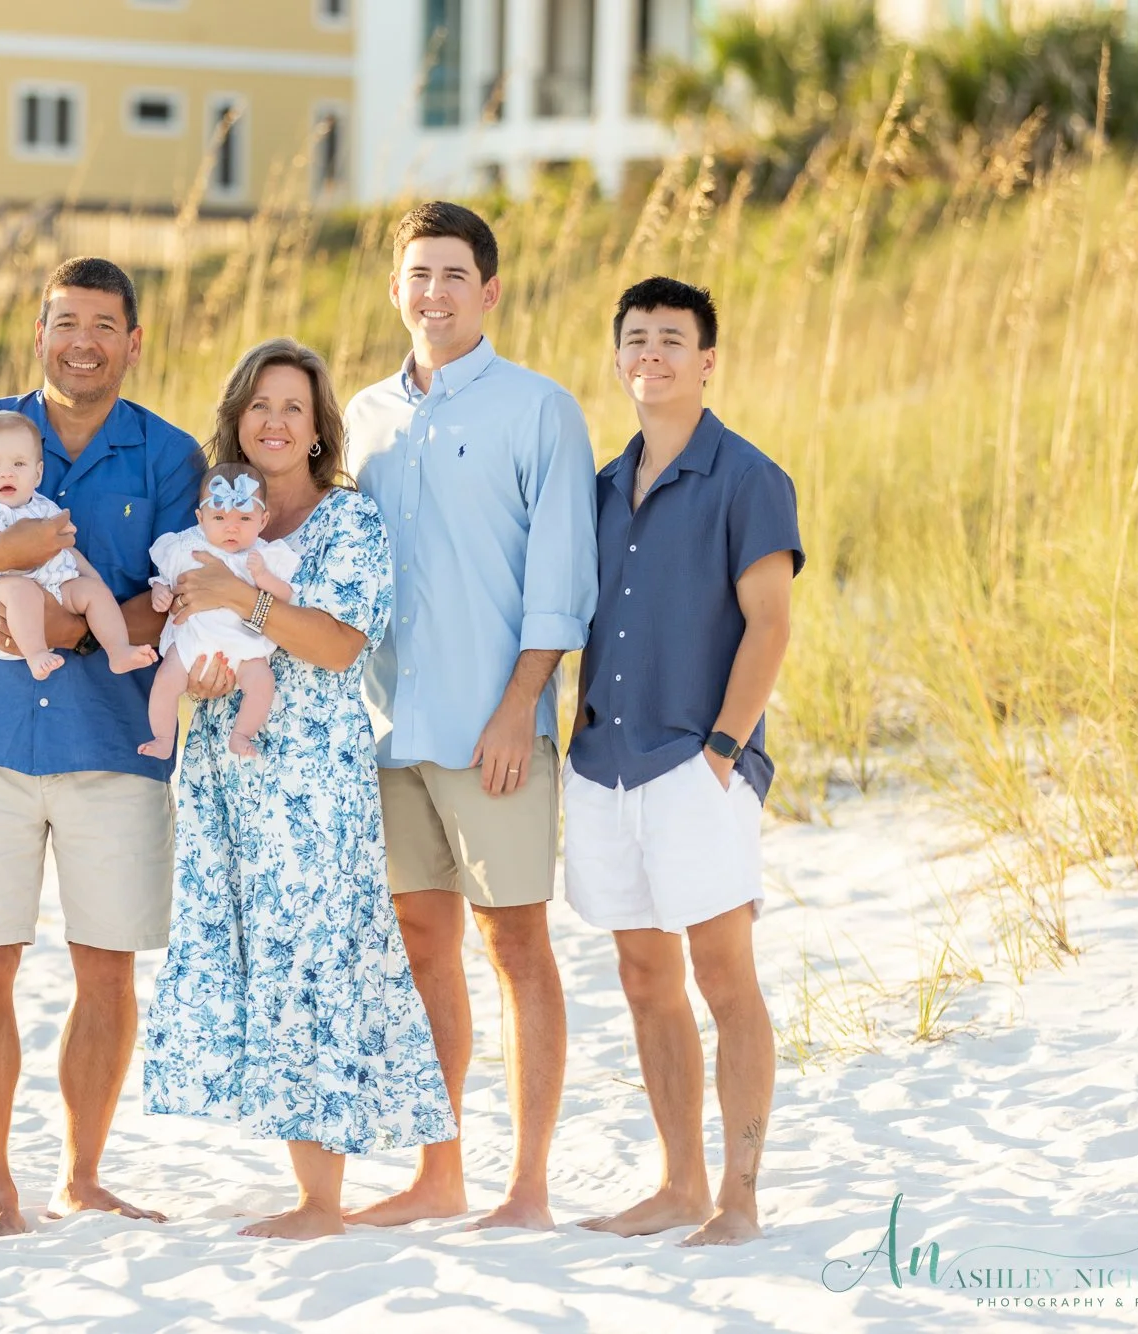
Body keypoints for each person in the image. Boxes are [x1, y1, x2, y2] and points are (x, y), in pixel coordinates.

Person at [0, 257, 208, 1237]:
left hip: (114, 746)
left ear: (133, 340)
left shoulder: (168, 455)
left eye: (103, 324)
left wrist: (67, 628)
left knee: (105, 969)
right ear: (39, 331)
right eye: (64, 321)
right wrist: (9, 558)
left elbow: (175, 591)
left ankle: (81, 1172)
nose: (81, 340)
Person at [143, 338, 456, 1240]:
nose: (275, 422)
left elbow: (341, 645)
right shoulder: (209, 523)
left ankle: (322, 1201)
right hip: (225, 769)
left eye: (294, 408)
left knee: (310, 961)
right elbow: (182, 625)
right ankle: (307, 1181)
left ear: (320, 429)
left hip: (313, 775)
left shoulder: (346, 523)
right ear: (236, 420)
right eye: (259, 406)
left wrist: (240, 605)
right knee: (256, 954)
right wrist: (199, 665)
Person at [343, 202, 598, 1231]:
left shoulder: (537, 409)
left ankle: (525, 1184)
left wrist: (519, 707)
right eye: (417, 274)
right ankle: (437, 1169)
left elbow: (560, 579)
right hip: (384, 730)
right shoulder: (360, 416)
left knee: (518, 945)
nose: (434, 293)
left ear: (489, 291)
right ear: (394, 289)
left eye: (454, 274)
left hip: (494, 728)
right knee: (417, 942)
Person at [567, 277, 800, 1247]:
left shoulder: (748, 477)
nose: (650, 354)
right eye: (635, 338)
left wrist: (719, 748)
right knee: (639, 970)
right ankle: (677, 1181)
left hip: (691, 763)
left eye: (671, 339)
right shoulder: (596, 486)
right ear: (617, 356)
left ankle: (737, 1197)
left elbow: (769, 621)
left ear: (707, 359)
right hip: (601, 763)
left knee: (722, 970)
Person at [0, 407, 157, 680]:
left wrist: (93, 578)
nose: (6, 474)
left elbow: (66, 549)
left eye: (18, 464)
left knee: (94, 591)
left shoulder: (42, 508)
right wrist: (19, 546)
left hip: (50, 589)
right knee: (22, 591)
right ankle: (36, 653)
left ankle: (118, 651)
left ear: (38, 473)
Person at [137, 461, 300, 761]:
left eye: (245, 518)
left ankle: (241, 734)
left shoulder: (264, 555)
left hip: (244, 645)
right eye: (220, 517)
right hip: (191, 642)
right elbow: (164, 579)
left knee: (262, 682)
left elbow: (287, 596)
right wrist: (159, 593)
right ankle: (163, 737)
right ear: (200, 518)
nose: (232, 527)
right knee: (165, 680)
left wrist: (263, 578)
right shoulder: (185, 547)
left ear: (263, 520)